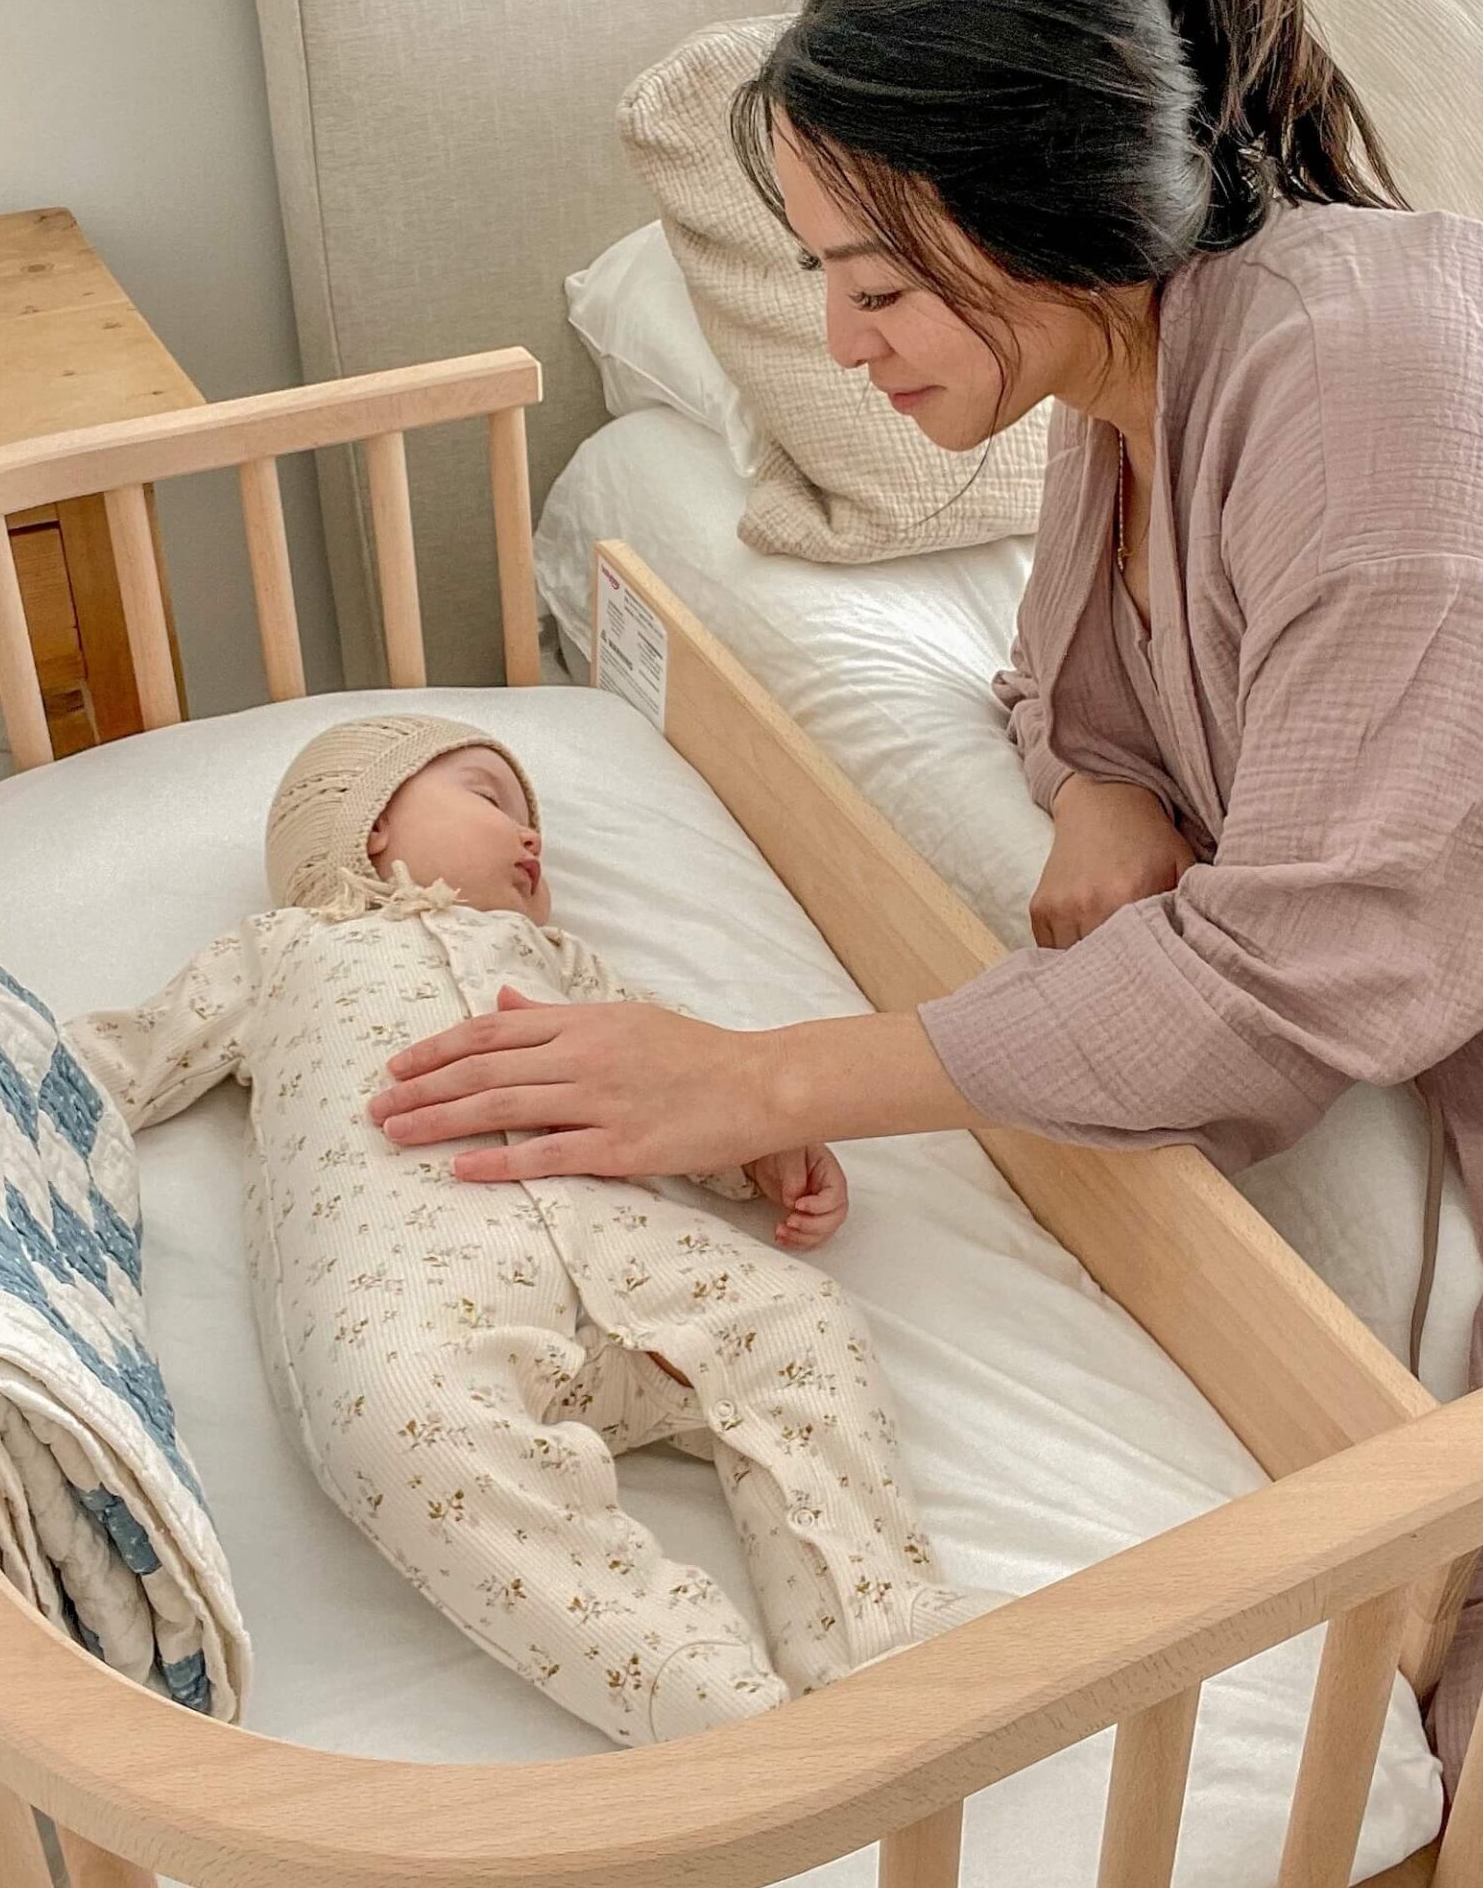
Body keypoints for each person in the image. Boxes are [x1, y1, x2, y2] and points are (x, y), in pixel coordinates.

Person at [370, 0, 1483, 1888]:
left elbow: (1290, 977)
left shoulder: (1376, 387)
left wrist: (772, 1071)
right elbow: (1072, 682)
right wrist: (1102, 778)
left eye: (879, 286)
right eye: (818, 283)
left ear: (1040, 217)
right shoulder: (1136, 381)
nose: (842, 346)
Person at [68, 713, 993, 1749]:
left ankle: (875, 1628)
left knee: (800, 1317)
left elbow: (681, 1082)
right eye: (490, 796)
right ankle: (702, 1694)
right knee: (396, 1417)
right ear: (370, 823)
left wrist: (760, 1146)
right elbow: (116, 1058)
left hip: (631, 1282)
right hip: (414, 1289)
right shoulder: (282, 951)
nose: (532, 836)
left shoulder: (557, 957)